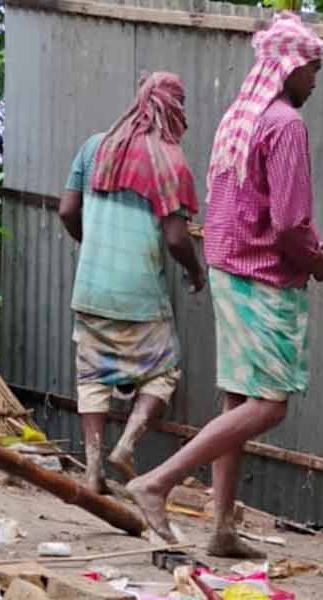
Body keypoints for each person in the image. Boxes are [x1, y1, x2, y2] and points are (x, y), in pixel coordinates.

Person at [127, 12, 323, 558]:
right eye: (312, 69)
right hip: (264, 275)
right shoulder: (286, 124)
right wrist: (319, 262)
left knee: (238, 401)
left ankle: (221, 528)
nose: (315, 79)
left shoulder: (241, 118)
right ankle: (158, 481)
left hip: (229, 267)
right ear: (289, 68)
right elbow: (290, 224)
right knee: (269, 405)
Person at [59, 72, 204, 493]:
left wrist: (92, 244)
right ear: (173, 108)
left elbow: (68, 210)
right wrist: (195, 272)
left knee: (92, 377)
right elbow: (177, 237)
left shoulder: (95, 147)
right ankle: (125, 445)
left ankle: (91, 469)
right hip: (139, 296)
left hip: (90, 288)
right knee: (163, 371)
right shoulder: (171, 162)